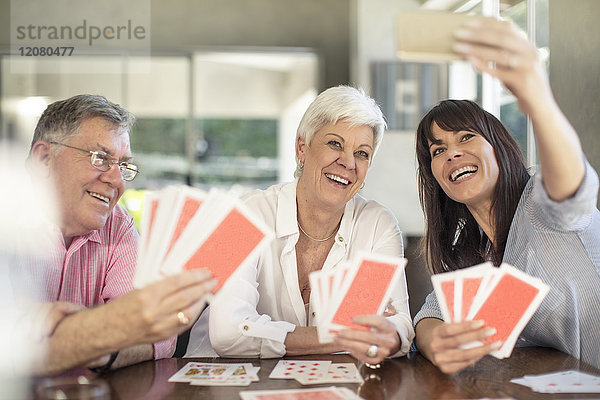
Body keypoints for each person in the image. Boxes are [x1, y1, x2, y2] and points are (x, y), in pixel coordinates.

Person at [413, 18, 600, 373]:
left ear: (498, 146)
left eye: (466, 137)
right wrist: (436, 342)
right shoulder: (473, 253)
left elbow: (573, 185)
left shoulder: (540, 206)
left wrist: (536, 95)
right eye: (438, 150)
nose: (451, 153)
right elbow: (431, 315)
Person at [186, 86, 414, 364]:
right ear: (302, 148)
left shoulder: (377, 224)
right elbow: (228, 334)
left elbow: (401, 326)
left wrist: (390, 334)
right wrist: (343, 337)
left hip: (330, 383)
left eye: (362, 153)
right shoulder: (243, 213)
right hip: (222, 382)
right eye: (335, 144)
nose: (348, 162)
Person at [13, 94, 216, 376]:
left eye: (123, 165)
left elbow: (158, 334)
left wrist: (89, 337)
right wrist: (108, 329)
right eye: (100, 158)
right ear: (45, 158)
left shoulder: (117, 224)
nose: (117, 180)